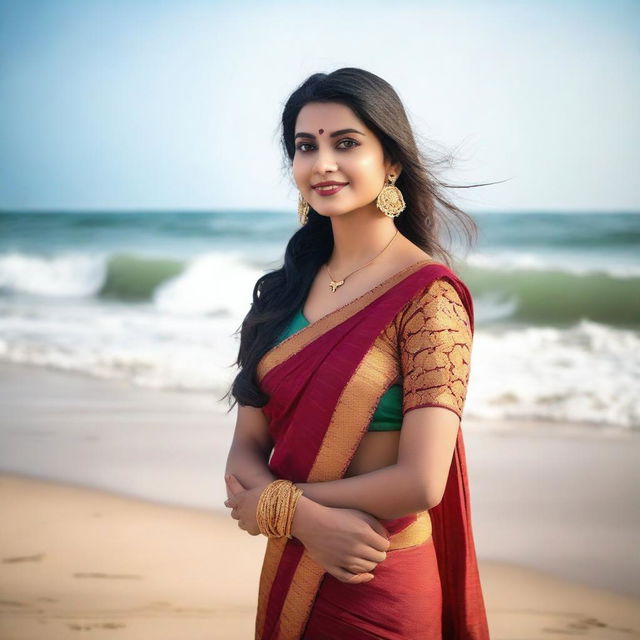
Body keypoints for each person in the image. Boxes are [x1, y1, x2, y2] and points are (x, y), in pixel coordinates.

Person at [223, 67, 490, 639]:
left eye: (346, 143)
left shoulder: (429, 298)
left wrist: (284, 508)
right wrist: (304, 519)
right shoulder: (280, 294)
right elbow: (245, 447)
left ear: (390, 162)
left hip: (378, 570)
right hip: (297, 564)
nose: (322, 163)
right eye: (305, 146)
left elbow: (421, 482)